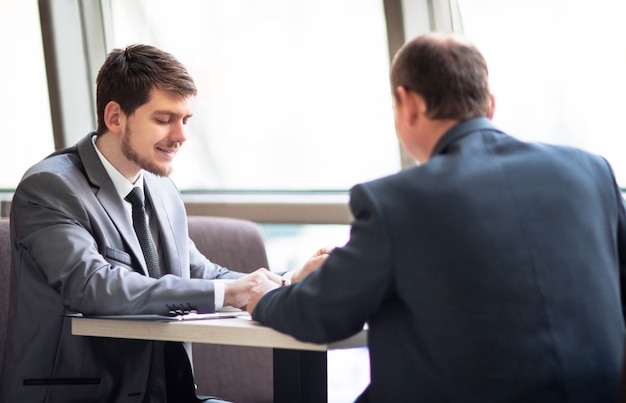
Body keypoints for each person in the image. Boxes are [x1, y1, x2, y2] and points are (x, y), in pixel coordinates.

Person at [246, 32, 626, 402]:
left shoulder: (396, 200)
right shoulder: (591, 172)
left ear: (407, 104)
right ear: (489, 105)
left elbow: (323, 313)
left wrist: (268, 297)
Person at [0, 44, 325, 403]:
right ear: (115, 117)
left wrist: (288, 283)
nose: (181, 135)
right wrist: (231, 293)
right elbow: (93, 285)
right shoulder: (50, 188)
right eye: (163, 119)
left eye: (185, 120)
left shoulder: (160, 189)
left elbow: (200, 273)